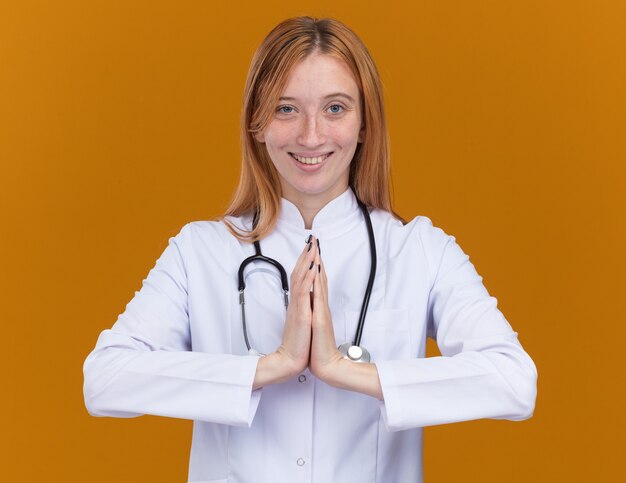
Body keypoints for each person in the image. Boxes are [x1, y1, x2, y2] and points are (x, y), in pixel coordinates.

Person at [83, 16, 537, 483]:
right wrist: (270, 366)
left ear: (364, 124)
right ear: (256, 123)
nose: (311, 136)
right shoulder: (199, 251)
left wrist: (345, 371)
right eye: (286, 109)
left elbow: (514, 383)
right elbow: (105, 380)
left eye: (335, 108)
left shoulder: (419, 251)